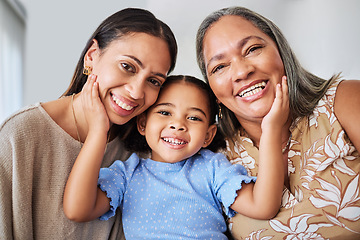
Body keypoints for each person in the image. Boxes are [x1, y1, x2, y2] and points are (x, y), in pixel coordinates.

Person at [0, 8, 177, 239]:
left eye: (153, 81)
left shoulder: (142, 151)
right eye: (127, 66)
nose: (136, 92)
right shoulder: (20, 134)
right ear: (92, 56)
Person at [196, 6, 360, 240]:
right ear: (212, 90)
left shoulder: (345, 100)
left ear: (281, 51)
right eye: (219, 67)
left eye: (252, 49)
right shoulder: (215, 160)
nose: (242, 71)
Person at [63, 74, 289, 239]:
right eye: (164, 112)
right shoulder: (127, 173)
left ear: (208, 136)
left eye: (194, 118)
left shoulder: (212, 168)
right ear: (142, 123)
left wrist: (271, 131)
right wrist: (97, 133)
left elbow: (263, 206)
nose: (178, 124)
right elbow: (77, 210)